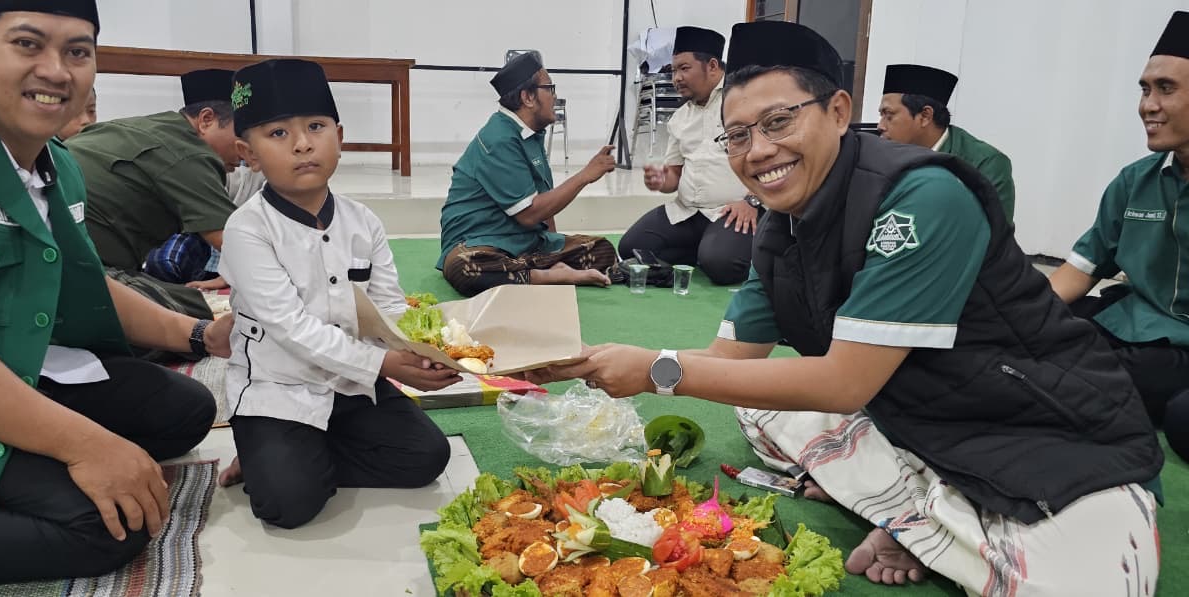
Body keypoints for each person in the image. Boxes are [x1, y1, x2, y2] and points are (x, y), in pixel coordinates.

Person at [532, 20, 1162, 595]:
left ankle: (925, 521)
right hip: (919, 420)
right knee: (757, 408)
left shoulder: (923, 196)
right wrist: (588, 362)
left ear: (838, 111)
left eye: (779, 122)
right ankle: (933, 518)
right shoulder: (783, 224)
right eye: (739, 135)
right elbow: (726, 360)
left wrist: (658, 369)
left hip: (1044, 432)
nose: (757, 152)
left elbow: (842, 383)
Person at [0, 1, 227, 587]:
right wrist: (84, 447)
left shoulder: (56, 165)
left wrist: (199, 334)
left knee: (186, 412)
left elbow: (83, 283)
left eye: (77, 52)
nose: (57, 70)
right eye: (28, 44)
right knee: (110, 523)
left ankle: (20, 459)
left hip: (19, 371)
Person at [214, 59, 455, 529]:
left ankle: (290, 459)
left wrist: (420, 352)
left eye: (316, 126)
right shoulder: (247, 229)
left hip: (351, 385)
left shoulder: (364, 221)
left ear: (339, 137)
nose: (303, 143)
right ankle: (272, 458)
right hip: (277, 388)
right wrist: (383, 363)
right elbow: (290, 329)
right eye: (278, 134)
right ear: (249, 153)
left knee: (426, 458)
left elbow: (387, 305)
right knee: (288, 505)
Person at [1049, 10, 1189, 463]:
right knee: (1047, 342)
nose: (1147, 105)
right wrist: (1012, 316)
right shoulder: (1136, 180)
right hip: (1134, 328)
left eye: (1166, 88)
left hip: (1175, 350)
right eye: (1145, 89)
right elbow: (1077, 272)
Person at [438, 51, 620, 297]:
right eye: (550, 88)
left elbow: (546, 207)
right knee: (467, 269)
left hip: (525, 244)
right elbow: (529, 213)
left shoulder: (531, 134)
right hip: (479, 242)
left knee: (602, 250)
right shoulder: (499, 139)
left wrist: (555, 250)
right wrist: (585, 176)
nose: (555, 96)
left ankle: (535, 271)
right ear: (528, 97)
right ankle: (546, 275)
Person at [66, 67, 242, 319]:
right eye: (242, 134)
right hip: (79, 267)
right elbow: (237, 243)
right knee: (190, 312)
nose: (248, 149)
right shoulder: (191, 153)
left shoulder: (146, 126)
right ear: (206, 120)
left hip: (58, 258)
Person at [620, 26, 756, 285]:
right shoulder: (680, 117)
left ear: (713, 66)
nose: (676, 78)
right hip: (687, 212)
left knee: (723, 266)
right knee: (632, 248)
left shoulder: (744, 104)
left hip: (732, 211)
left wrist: (753, 202)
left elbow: (770, 159)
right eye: (673, 71)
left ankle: (721, 250)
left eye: (684, 68)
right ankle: (707, 249)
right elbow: (674, 174)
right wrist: (661, 180)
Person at [877, 64, 1016, 223]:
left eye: (888, 115)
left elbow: (995, 237)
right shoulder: (881, 158)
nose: (880, 125)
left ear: (925, 116)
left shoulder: (985, 164)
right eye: (881, 115)